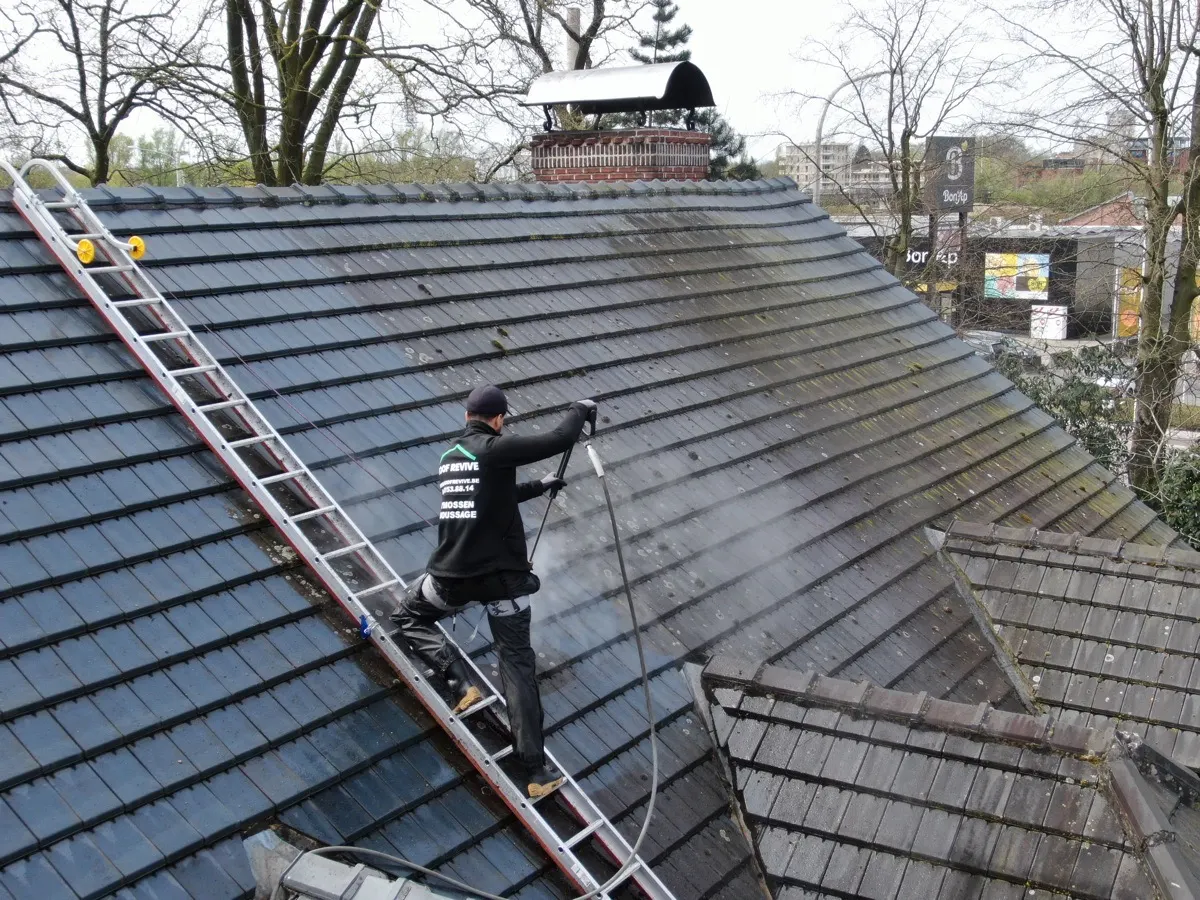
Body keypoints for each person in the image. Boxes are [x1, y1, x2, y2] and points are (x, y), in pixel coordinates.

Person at [391, 384, 595, 798]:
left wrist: (539, 486)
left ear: (467, 417)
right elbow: (559, 438)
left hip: (450, 579)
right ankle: (535, 772)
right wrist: (580, 408)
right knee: (517, 666)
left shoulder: (451, 459)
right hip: (503, 584)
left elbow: (492, 497)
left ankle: (459, 682)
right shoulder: (495, 448)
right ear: (499, 420)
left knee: (408, 616)